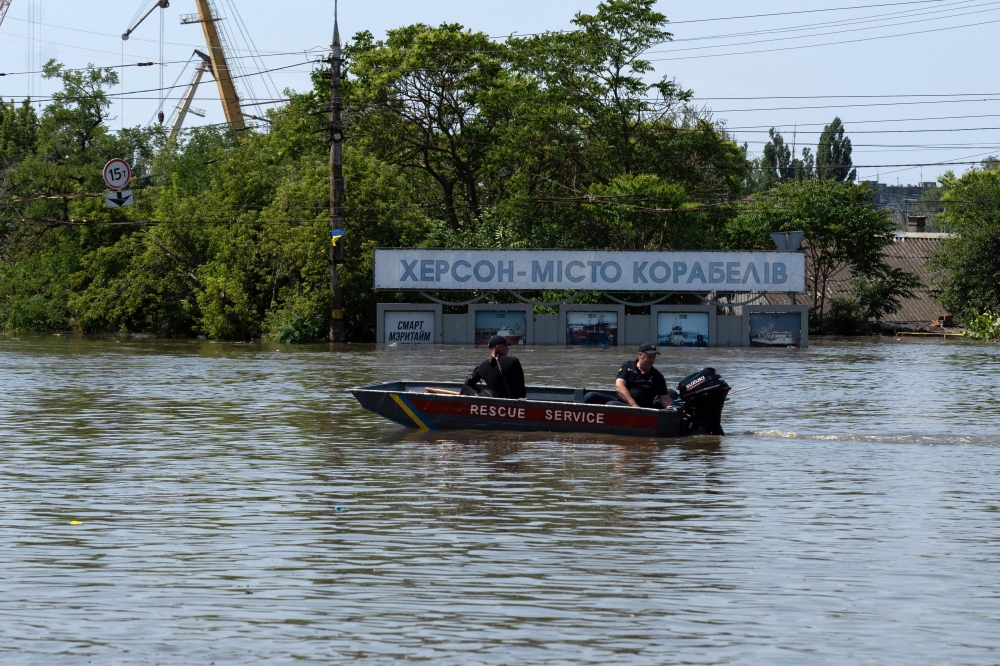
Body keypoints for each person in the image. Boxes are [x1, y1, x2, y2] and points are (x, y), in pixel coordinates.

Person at [583, 342, 676, 409]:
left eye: (654, 357)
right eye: (649, 357)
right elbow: (619, 387)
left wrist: (670, 409)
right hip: (626, 404)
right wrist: (633, 405)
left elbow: (664, 398)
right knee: (590, 396)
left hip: (642, 409)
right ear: (640, 355)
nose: (652, 360)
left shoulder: (657, 376)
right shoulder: (627, 366)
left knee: (611, 404)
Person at [464, 335, 527, 399]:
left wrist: (483, 396)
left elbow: (468, 385)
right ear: (498, 347)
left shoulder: (481, 367)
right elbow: (521, 388)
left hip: (494, 403)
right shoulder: (514, 361)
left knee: (466, 387)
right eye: (505, 346)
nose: (508, 348)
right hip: (515, 405)